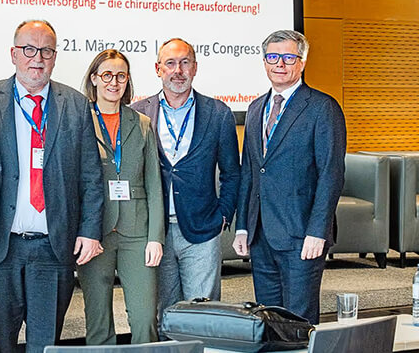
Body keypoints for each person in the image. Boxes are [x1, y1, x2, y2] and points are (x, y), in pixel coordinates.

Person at [0, 19, 104, 353]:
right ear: (13, 54)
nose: (37, 58)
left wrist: (90, 231)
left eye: (46, 50)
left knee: (45, 344)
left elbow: (90, 176)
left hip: (52, 247)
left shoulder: (75, 104)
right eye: (29, 49)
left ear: (55, 56)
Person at [233, 29, 346, 324]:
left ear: (302, 62)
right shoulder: (257, 107)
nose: (279, 64)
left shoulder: (322, 108)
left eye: (288, 57)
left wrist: (317, 231)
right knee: (268, 321)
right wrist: (243, 226)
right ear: (264, 61)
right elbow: (251, 172)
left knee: (298, 321)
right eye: (272, 56)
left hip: (301, 235)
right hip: (261, 235)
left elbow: (330, 175)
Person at [131, 38, 240, 317]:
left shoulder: (218, 113)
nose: (177, 70)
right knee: (165, 313)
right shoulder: (138, 113)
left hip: (202, 232)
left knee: (204, 314)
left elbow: (232, 173)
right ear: (158, 69)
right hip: (155, 233)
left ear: (195, 67)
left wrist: (223, 216)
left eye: (185, 62)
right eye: (170, 63)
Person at [78, 49, 164, 345]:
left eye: (121, 76)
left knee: (143, 318)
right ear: (94, 79)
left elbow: (154, 184)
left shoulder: (141, 123)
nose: (114, 82)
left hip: (137, 233)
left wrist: (156, 237)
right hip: (95, 233)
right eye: (107, 75)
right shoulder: (79, 120)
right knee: (98, 320)